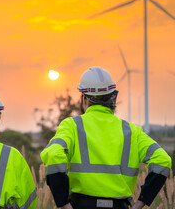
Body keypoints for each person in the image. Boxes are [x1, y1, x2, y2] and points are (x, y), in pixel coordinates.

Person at [41, 66, 172, 209]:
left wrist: (64, 204)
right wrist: (140, 202)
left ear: (84, 98)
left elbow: (53, 155)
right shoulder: (132, 131)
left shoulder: (71, 126)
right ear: (112, 97)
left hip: (81, 205)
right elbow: (163, 160)